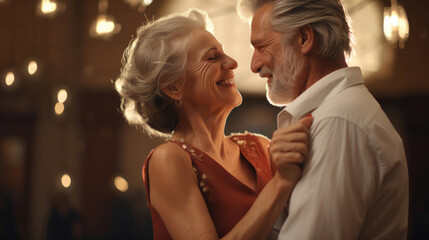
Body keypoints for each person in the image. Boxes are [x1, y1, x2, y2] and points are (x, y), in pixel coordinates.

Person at [114, 9, 313, 240]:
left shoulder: (261, 146)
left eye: (224, 53)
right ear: (173, 86)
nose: (233, 62)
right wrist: (280, 183)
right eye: (212, 57)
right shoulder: (169, 159)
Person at [237, 0, 409, 239]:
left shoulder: (339, 124)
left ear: (305, 38)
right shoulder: (335, 115)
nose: (254, 65)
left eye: (262, 46)